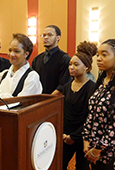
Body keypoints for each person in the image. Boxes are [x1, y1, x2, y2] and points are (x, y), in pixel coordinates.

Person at [59, 41, 97, 170]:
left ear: (86, 67)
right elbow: (63, 112)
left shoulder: (92, 88)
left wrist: (74, 137)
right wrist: (64, 134)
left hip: (83, 137)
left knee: (82, 167)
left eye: (76, 64)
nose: (71, 67)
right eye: (70, 64)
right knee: (60, 164)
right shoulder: (66, 87)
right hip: (65, 136)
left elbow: (89, 117)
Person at [82, 39, 115, 169]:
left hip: (109, 152)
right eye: (98, 55)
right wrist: (86, 141)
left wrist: (97, 150)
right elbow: (91, 113)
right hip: (93, 148)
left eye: (104, 55)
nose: (99, 59)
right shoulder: (102, 82)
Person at [32, 25, 71, 95]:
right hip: (37, 99)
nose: (45, 38)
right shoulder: (37, 59)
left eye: (49, 35)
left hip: (55, 101)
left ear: (58, 37)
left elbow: (64, 84)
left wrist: (49, 99)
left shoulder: (65, 58)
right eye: (44, 35)